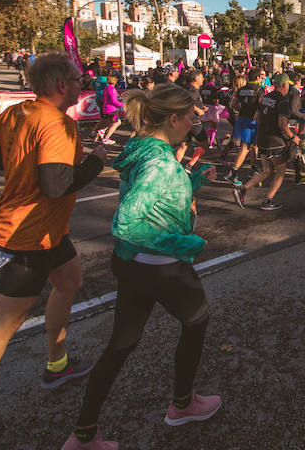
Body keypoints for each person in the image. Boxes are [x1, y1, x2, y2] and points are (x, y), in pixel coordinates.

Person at [0, 54, 106, 441]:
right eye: (78, 79)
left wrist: (22, 168)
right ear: (61, 85)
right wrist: (95, 162)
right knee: (3, 324)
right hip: (29, 234)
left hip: (49, 231)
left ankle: (57, 363)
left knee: (69, 283)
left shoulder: (17, 112)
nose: (83, 84)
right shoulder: (58, 123)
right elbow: (56, 185)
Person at [61, 84, 220, 450]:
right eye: (191, 117)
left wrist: (192, 180)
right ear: (175, 118)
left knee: (122, 343)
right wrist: (188, 244)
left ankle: (83, 434)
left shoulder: (145, 148)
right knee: (196, 321)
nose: (193, 124)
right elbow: (127, 223)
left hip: (132, 265)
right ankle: (182, 404)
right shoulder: (161, 161)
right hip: (161, 266)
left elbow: (156, 196)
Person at [232, 73, 298, 211]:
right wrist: (293, 137)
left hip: (262, 138)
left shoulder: (267, 97)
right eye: (288, 85)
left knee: (267, 170)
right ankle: (268, 200)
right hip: (275, 141)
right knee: (281, 171)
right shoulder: (283, 102)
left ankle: (243, 190)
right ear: (285, 85)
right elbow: (282, 124)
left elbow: (257, 118)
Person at [224, 70, 264, 184]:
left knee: (254, 145)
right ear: (257, 78)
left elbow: (232, 105)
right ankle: (233, 173)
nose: (261, 79)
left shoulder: (241, 89)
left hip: (242, 119)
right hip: (252, 121)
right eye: (260, 77)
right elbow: (261, 106)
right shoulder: (259, 90)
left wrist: (242, 107)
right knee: (245, 147)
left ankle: (253, 167)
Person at [175, 70, 208, 171]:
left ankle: (174, 167)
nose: (203, 79)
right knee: (204, 144)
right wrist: (198, 109)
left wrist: (201, 107)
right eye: (201, 77)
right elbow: (186, 102)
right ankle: (189, 165)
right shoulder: (192, 90)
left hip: (185, 121)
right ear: (196, 79)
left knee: (184, 145)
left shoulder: (190, 89)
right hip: (193, 122)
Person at [97, 73, 124, 145]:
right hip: (111, 109)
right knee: (116, 122)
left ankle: (103, 131)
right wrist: (122, 105)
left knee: (113, 122)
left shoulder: (106, 88)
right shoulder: (112, 89)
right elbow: (113, 101)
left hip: (106, 108)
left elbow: (104, 98)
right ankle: (105, 138)